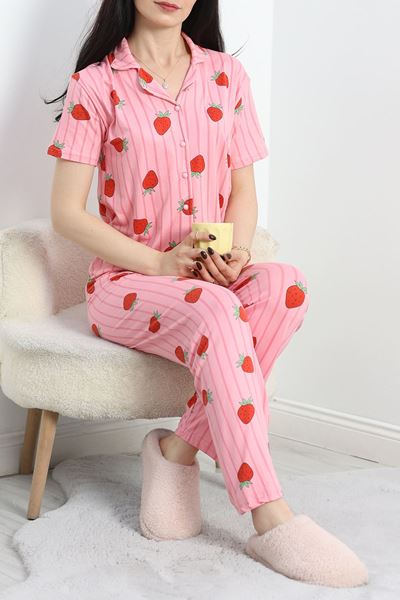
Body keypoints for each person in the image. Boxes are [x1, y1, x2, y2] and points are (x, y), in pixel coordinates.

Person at [45, 0, 368, 588]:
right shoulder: (95, 85)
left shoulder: (226, 76)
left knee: (285, 285)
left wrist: (236, 252)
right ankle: (270, 516)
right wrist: (160, 263)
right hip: (127, 283)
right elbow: (66, 213)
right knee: (219, 308)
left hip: (207, 274)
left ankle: (176, 452)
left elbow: (243, 191)